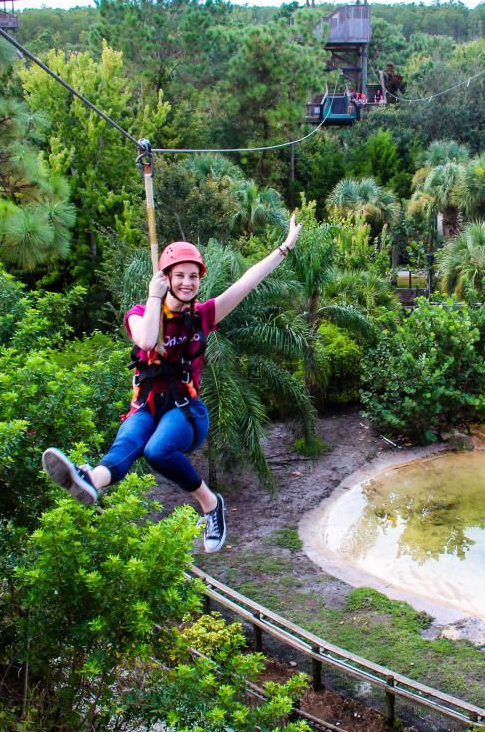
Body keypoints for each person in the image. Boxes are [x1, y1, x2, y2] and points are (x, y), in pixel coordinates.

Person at [41, 213, 303, 553]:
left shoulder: (203, 315)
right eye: (179, 276)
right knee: (125, 448)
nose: (187, 283)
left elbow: (247, 282)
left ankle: (211, 505)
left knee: (156, 450)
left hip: (186, 411)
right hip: (147, 406)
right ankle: (89, 481)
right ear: (165, 278)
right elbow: (147, 341)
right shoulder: (139, 314)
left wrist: (285, 247)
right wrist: (154, 298)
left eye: (193, 277)